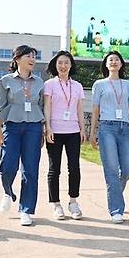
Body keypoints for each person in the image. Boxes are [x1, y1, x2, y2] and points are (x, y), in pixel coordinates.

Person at [0, 45, 45, 226]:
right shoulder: (5, 81)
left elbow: (42, 106)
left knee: (30, 170)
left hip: (34, 128)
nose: (32, 59)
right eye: (28, 56)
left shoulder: (39, 82)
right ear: (17, 58)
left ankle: (26, 210)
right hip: (12, 127)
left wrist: (44, 130)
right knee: (7, 165)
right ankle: (8, 192)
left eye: (34, 56)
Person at [89, 51, 129, 223]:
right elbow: (95, 110)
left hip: (124, 128)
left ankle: (115, 193)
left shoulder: (127, 84)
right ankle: (116, 209)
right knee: (111, 169)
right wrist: (92, 132)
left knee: (126, 169)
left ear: (121, 64)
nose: (113, 62)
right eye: (110, 59)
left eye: (117, 59)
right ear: (105, 64)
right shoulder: (99, 84)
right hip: (106, 128)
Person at [43, 50, 86, 220]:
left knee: (74, 167)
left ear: (71, 65)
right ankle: (56, 204)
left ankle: (73, 202)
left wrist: (83, 129)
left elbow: (80, 109)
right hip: (55, 131)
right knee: (55, 169)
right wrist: (48, 127)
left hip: (73, 131)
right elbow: (47, 107)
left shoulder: (78, 86)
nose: (63, 66)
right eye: (60, 62)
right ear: (55, 65)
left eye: (66, 62)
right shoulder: (50, 84)